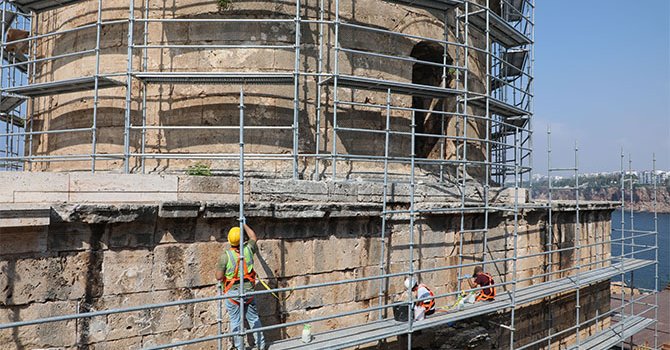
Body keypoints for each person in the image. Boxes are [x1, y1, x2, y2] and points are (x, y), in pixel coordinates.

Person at [216, 223, 266, 350]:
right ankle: (261, 344)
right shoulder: (248, 249)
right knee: (253, 318)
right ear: (242, 239)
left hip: (233, 293)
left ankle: (240, 348)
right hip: (249, 290)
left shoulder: (225, 256)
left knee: (235, 321)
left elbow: (219, 277)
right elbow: (253, 237)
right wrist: (244, 224)